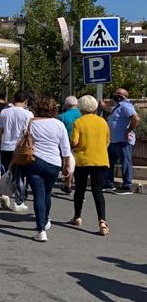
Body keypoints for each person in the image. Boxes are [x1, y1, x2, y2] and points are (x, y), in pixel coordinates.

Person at [22, 97, 72, 242]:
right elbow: (65, 148)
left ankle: (41, 229)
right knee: (47, 193)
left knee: (38, 194)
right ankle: (46, 219)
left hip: (34, 161)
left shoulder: (31, 122)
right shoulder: (59, 124)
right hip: (54, 163)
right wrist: (67, 165)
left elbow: (23, 140)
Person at [70, 95, 110, 236]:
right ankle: (102, 221)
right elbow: (107, 141)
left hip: (82, 160)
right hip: (101, 160)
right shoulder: (103, 122)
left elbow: (74, 142)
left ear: (81, 107)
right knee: (97, 190)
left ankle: (77, 216)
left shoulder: (78, 122)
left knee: (80, 189)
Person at [0, 91, 33, 212]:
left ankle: (5, 194)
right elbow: (30, 132)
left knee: (5, 171)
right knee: (20, 174)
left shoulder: (4, 112)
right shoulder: (28, 114)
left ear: (13, 99)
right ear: (25, 100)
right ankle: (19, 201)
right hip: (20, 148)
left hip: (6, 145)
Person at [100, 88, 140, 195]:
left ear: (124, 96)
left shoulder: (126, 106)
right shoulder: (118, 106)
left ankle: (127, 186)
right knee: (109, 163)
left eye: (118, 93)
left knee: (125, 163)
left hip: (123, 141)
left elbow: (136, 118)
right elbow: (110, 109)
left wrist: (129, 130)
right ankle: (109, 183)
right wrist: (102, 105)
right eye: (115, 92)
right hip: (113, 141)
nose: (115, 95)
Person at [57, 96, 81, 194]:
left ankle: (68, 184)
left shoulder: (62, 116)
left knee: (69, 165)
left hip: (68, 143)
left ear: (66, 105)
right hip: (81, 144)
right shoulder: (82, 114)